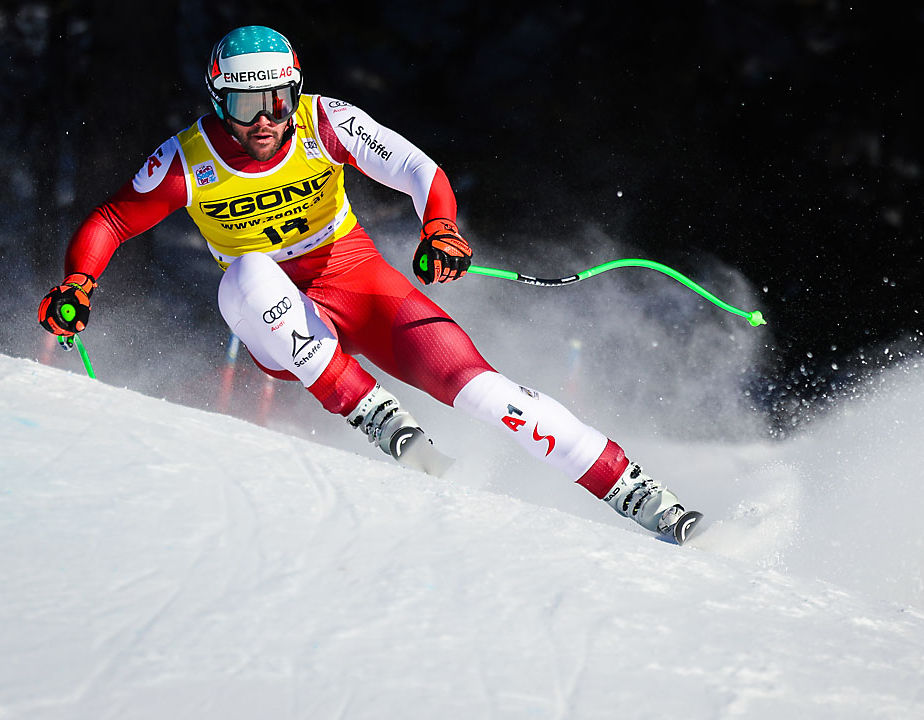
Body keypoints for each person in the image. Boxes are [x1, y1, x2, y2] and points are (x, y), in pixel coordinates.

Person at [37, 26, 703, 544]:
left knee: (485, 391)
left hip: (357, 278)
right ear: (219, 102)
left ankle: (654, 505)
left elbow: (417, 168)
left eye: (277, 99)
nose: (265, 119)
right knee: (247, 272)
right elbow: (113, 218)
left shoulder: (324, 122)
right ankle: (379, 418)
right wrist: (79, 284)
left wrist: (440, 228)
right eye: (246, 104)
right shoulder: (190, 159)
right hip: (278, 315)